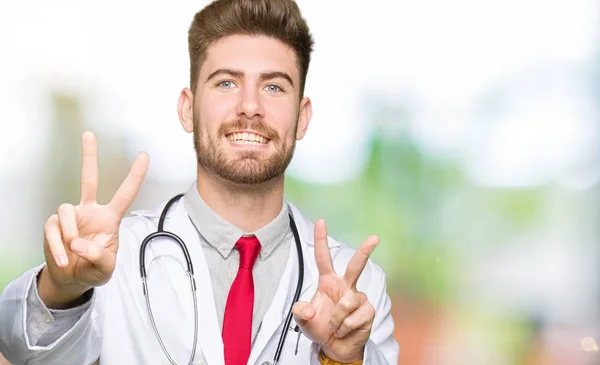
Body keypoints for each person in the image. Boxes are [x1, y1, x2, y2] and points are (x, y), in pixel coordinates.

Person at [0, 0, 400, 364]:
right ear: (188, 110)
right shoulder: (109, 261)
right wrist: (60, 289)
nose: (249, 107)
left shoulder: (356, 285)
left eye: (274, 87)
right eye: (226, 83)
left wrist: (344, 357)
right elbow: (19, 348)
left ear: (303, 117)